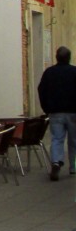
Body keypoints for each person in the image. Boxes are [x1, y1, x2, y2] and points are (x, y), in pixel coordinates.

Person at [37, 45, 76, 182]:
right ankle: (73, 167)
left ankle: (56, 162)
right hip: (73, 112)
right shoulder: (74, 72)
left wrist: (46, 108)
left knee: (57, 139)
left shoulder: (49, 72)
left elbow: (41, 90)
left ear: (56, 57)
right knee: (73, 140)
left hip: (55, 112)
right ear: (69, 58)